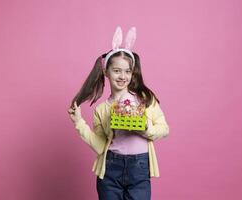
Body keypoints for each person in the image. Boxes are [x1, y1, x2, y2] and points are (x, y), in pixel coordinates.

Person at [68, 26, 169, 200]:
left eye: (127, 71)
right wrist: (79, 122)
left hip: (139, 167)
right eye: (117, 71)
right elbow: (100, 146)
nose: (123, 76)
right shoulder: (101, 110)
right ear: (106, 72)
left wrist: (146, 129)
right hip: (110, 169)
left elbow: (164, 128)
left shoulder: (144, 99)